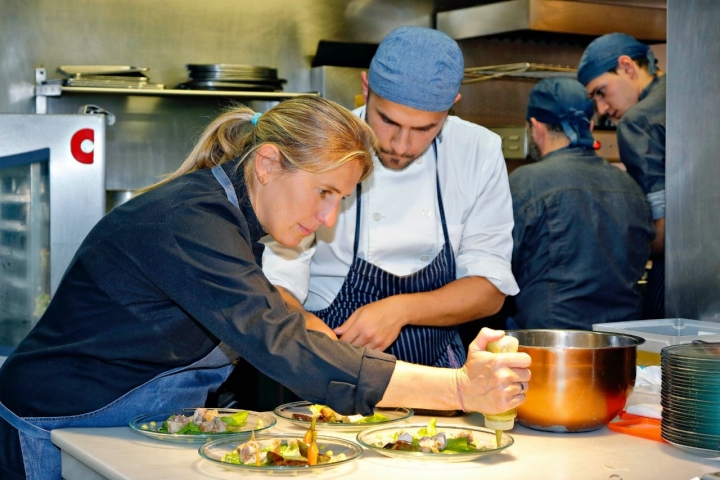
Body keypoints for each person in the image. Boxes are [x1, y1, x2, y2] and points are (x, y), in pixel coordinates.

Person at [0, 95, 531, 480]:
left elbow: (271, 323)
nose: (327, 219)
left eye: (340, 201)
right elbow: (281, 345)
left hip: (116, 427)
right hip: (50, 429)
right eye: (324, 192)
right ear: (268, 162)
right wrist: (459, 389)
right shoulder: (192, 222)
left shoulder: (231, 217)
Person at [262, 26, 518, 368]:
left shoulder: (477, 151)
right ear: (366, 88)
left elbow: (489, 290)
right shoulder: (325, 146)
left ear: (452, 108)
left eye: (424, 129)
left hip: (438, 370)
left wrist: (400, 309)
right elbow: (277, 284)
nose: (401, 145)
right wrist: (312, 334)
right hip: (331, 361)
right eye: (387, 120)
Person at [506, 77, 654, 330]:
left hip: (550, 344)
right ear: (591, 125)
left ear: (536, 127)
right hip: (621, 343)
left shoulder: (527, 182)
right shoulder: (630, 186)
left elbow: (501, 269)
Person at [577, 32, 666, 319]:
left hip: (683, 276)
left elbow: (665, 230)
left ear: (628, 67)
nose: (602, 109)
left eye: (601, 91)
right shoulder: (699, 93)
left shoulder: (640, 121)